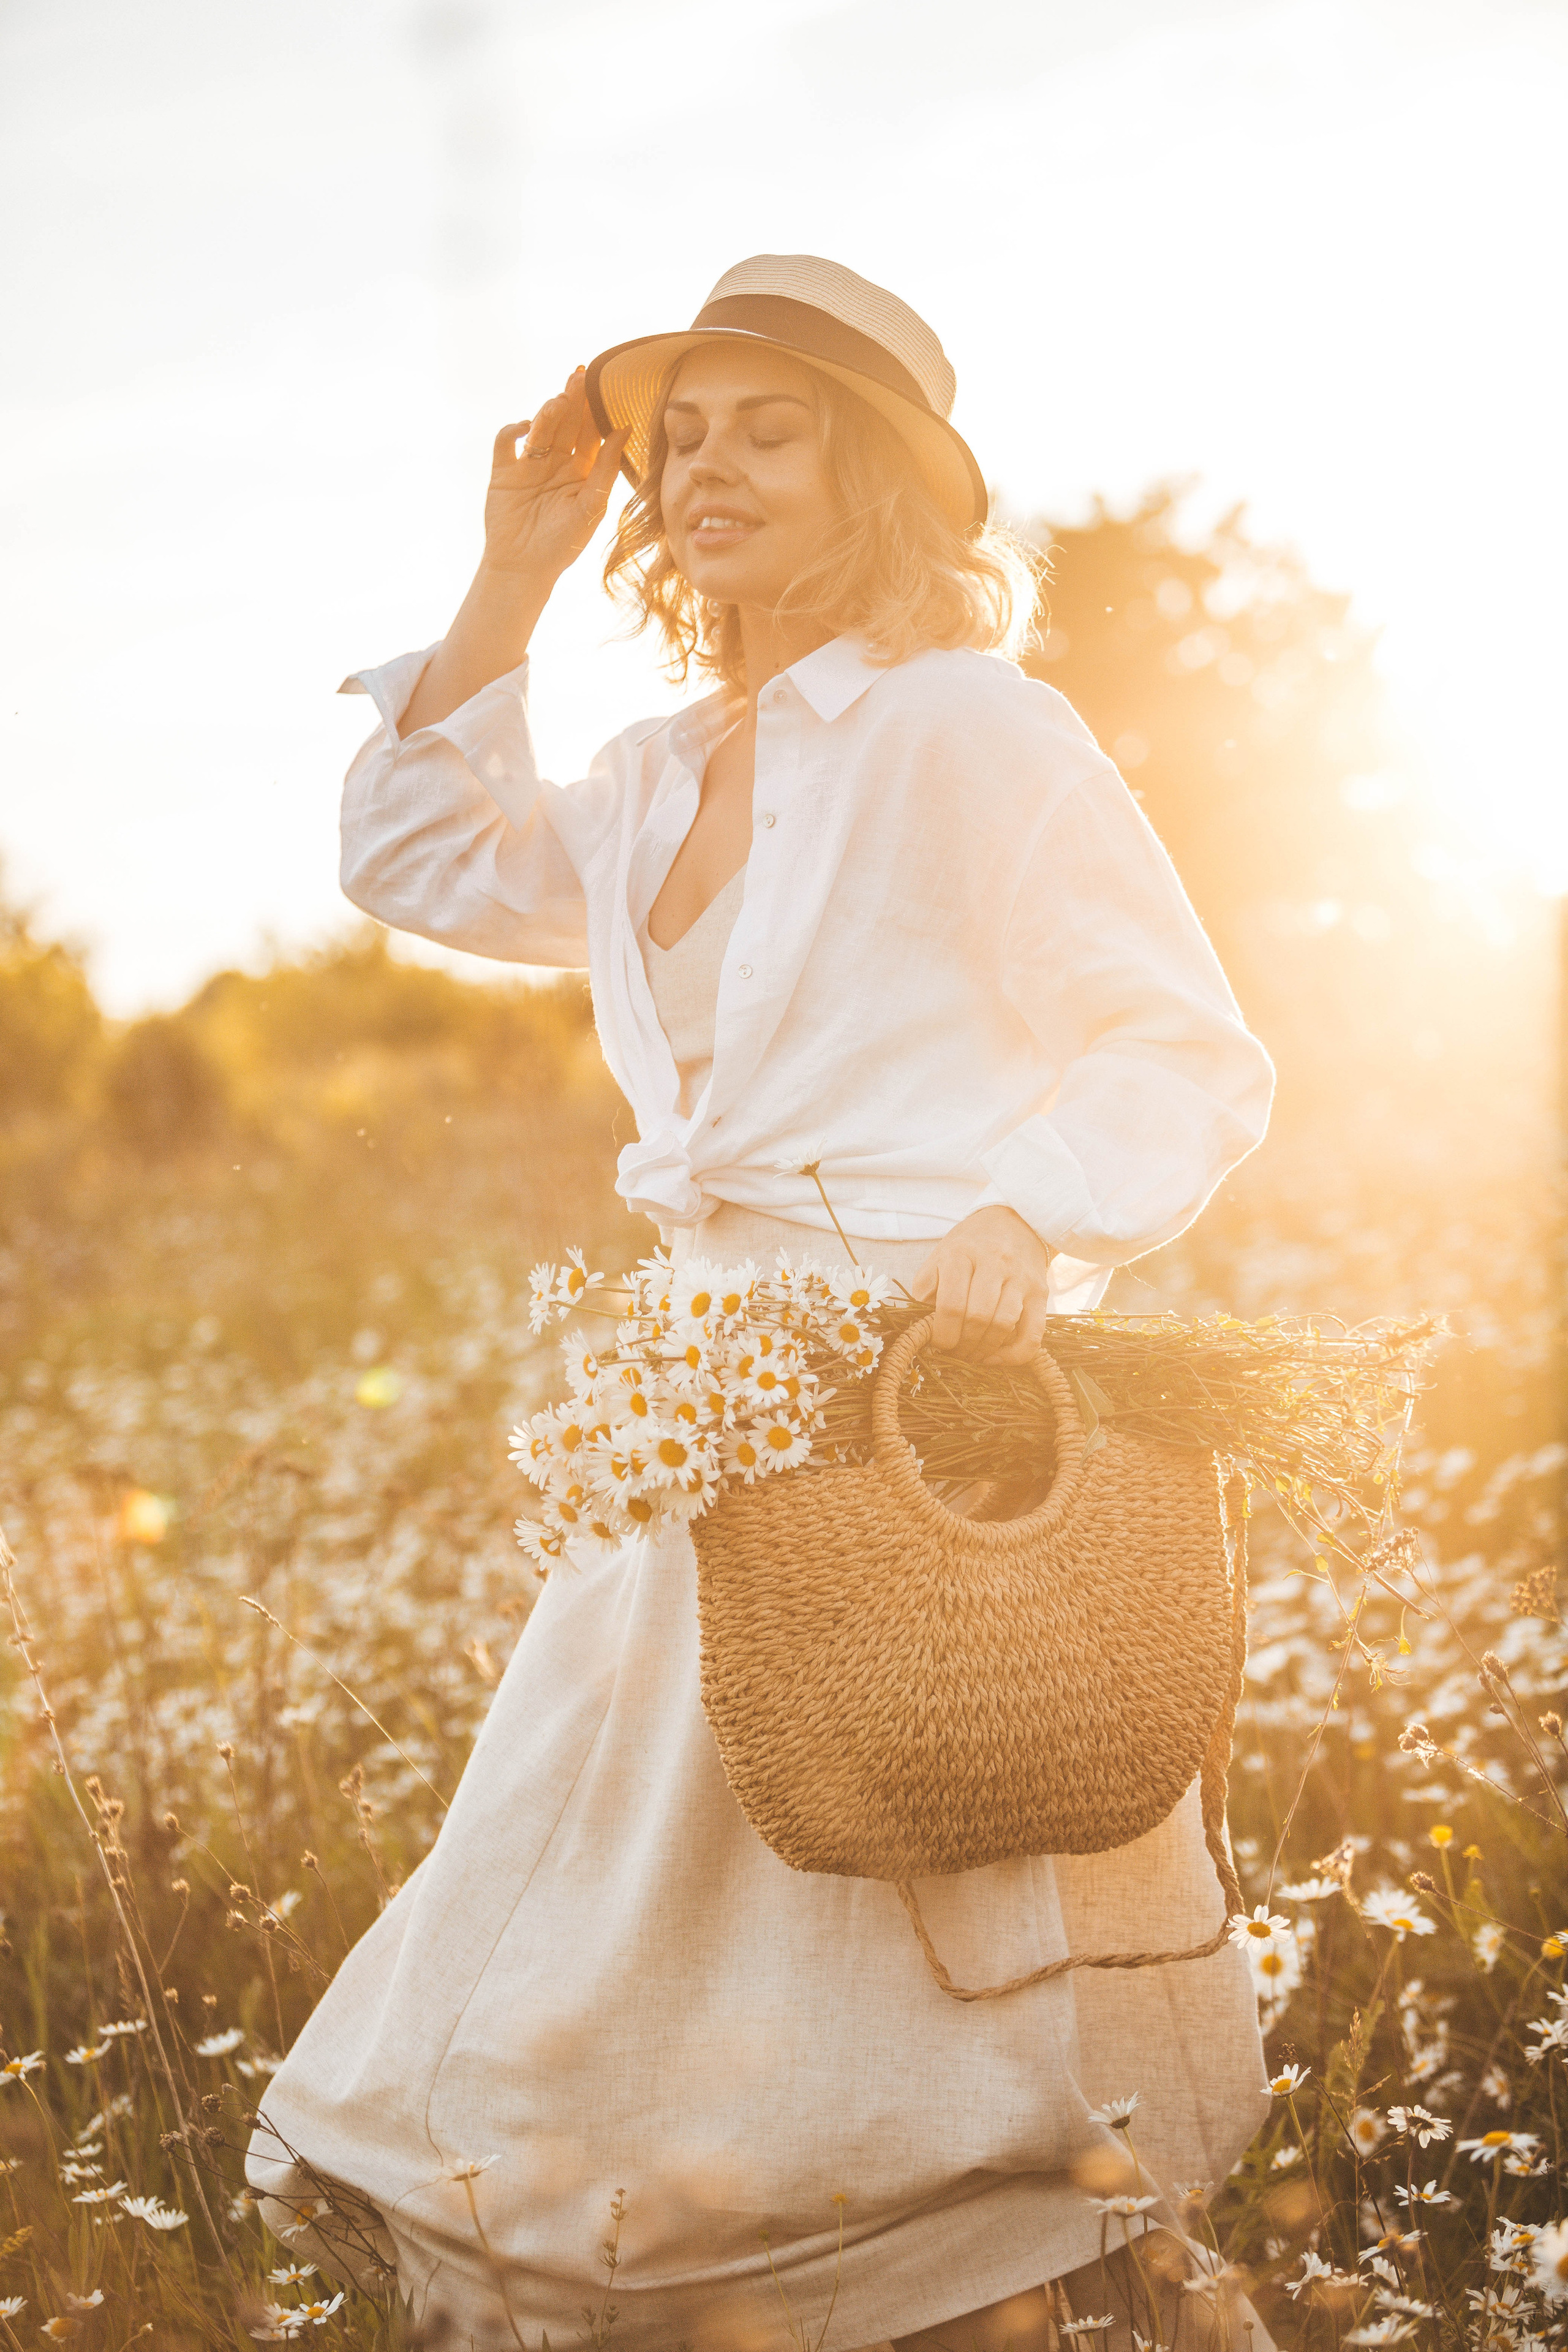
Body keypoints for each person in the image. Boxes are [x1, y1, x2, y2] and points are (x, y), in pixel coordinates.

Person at [248, 255, 1277, 2352]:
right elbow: (418, 857)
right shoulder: (652, 768)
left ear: (878, 476)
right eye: (681, 436)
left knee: (911, 1852)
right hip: (703, 1383)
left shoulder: (970, 727)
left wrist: (1037, 1207)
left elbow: (1182, 1048)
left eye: (766, 430)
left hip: (924, 1382)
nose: (706, 471)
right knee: (612, 1866)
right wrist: (513, 569)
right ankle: (652, 2253)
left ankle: (1008, 2279)